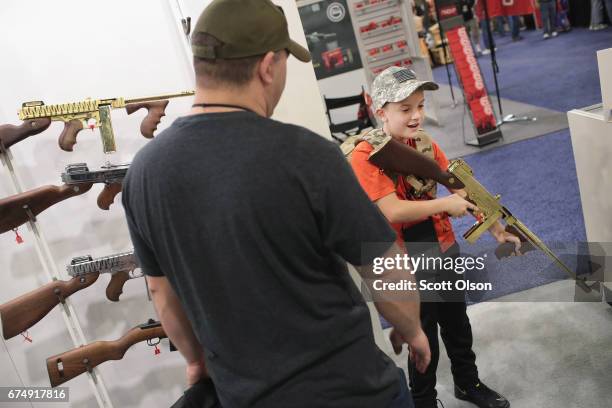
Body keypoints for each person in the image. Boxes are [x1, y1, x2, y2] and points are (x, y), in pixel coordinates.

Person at [122, 0, 432, 407]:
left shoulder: (142, 174)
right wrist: (412, 330)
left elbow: (161, 292)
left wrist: (196, 361)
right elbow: (382, 264)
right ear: (268, 66)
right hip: (352, 391)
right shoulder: (308, 156)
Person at [349, 66, 520, 408]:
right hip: (404, 258)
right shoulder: (364, 155)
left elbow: (459, 186)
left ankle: (467, 383)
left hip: (441, 246)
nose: (416, 116)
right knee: (421, 333)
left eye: (421, 106)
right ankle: (423, 400)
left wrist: (497, 228)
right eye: (405, 109)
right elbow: (393, 211)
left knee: (457, 322)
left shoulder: (424, 144)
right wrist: (447, 203)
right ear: (380, 111)